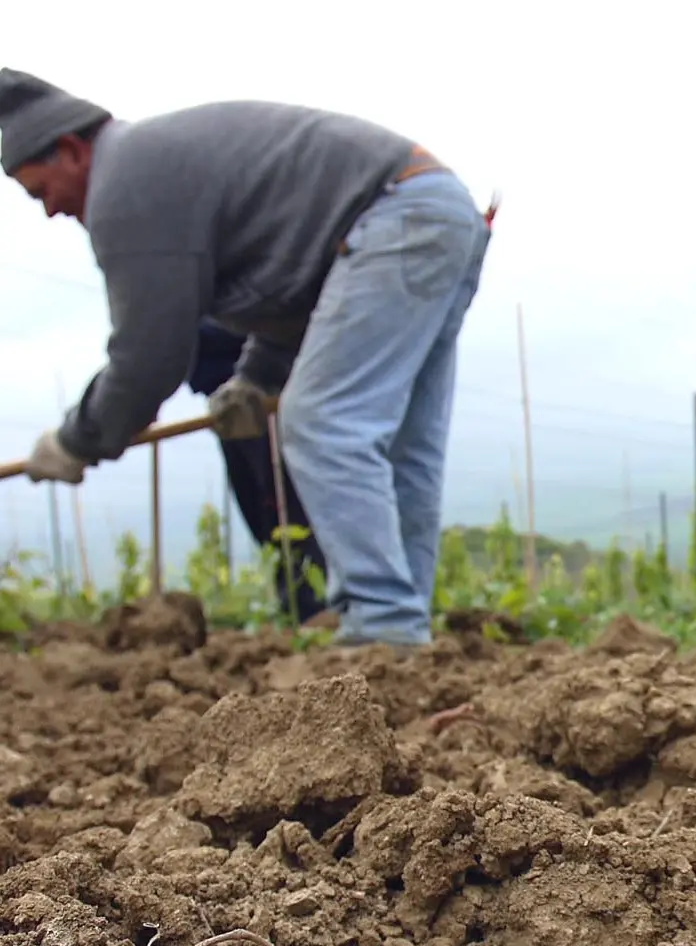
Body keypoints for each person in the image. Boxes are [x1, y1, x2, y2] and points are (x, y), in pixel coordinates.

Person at [0, 75, 492, 646]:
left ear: (70, 149)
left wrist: (76, 441)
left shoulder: (124, 187)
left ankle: (382, 625)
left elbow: (149, 357)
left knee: (322, 421)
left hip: (394, 217)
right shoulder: (162, 168)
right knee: (405, 443)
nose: (51, 212)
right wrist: (254, 380)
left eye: (41, 192)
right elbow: (297, 284)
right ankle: (400, 627)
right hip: (434, 210)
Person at [188, 318, 328, 622]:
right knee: (264, 514)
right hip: (226, 399)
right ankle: (300, 611)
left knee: (290, 510)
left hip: (269, 389)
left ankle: (315, 611)